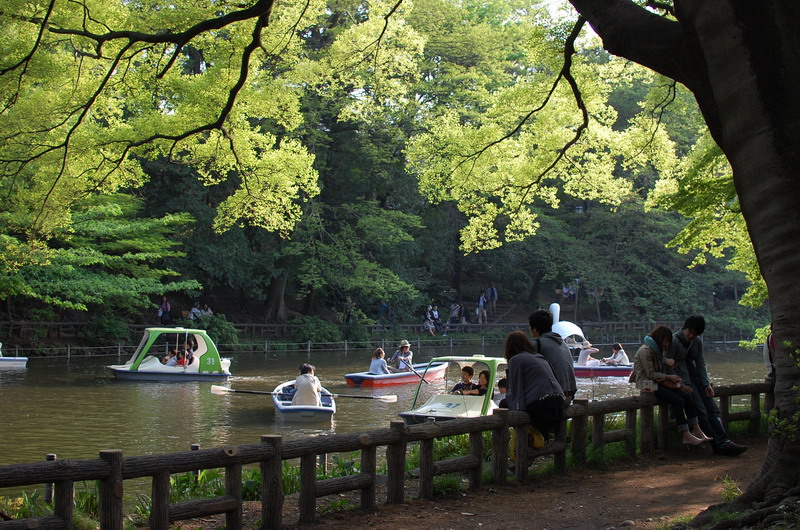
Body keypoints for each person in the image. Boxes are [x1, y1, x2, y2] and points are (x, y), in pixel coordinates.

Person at [666, 316, 748, 456]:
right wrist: (680, 384)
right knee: (701, 411)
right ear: (685, 328)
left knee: (713, 409)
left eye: (695, 334)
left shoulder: (696, 342)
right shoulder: (673, 342)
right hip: (684, 382)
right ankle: (717, 443)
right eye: (690, 332)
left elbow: (701, 363)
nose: (691, 336)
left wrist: (706, 383)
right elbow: (667, 367)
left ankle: (725, 440)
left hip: (697, 379)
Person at [629, 326, 710, 446]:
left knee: (686, 396)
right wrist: (668, 377)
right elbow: (651, 374)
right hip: (647, 384)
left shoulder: (656, 350)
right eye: (666, 340)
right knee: (677, 401)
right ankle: (686, 434)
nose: (667, 344)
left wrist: (667, 362)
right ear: (660, 338)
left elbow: (660, 360)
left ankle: (697, 429)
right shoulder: (645, 351)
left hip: (657, 381)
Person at [504, 330, 565, 437]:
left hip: (541, 405)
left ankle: (523, 441)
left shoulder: (515, 360)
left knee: (504, 404)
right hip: (558, 402)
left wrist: (518, 412)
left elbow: (514, 390)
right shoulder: (539, 357)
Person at [528, 309, 577, 404]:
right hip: (569, 395)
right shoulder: (562, 343)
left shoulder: (538, 344)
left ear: (534, 329)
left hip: (554, 398)